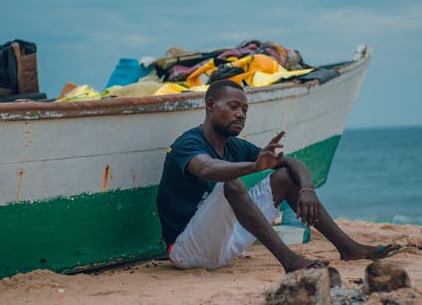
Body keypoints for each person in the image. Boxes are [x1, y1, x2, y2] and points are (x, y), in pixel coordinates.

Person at [157, 80, 397, 273]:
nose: (241, 114)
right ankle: (290, 261)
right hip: (187, 250)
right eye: (233, 106)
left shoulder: (235, 146)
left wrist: (307, 189)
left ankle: (348, 248)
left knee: (286, 176)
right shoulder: (188, 143)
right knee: (231, 184)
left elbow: (293, 163)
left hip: (226, 245)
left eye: (245, 109)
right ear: (210, 105)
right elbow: (206, 169)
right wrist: (254, 166)